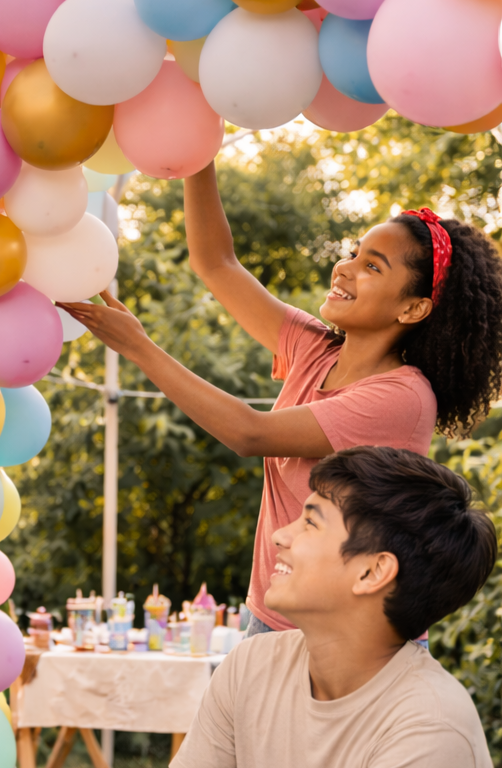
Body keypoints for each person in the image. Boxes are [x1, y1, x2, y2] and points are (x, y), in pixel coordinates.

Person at [60, 163, 502, 636]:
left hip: (343, 634)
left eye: (372, 266)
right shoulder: (313, 348)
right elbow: (216, 263)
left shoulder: (402, 396)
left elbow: (249, 433)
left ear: (413, 308)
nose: (346, 267)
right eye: (355, 253)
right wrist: (196, 154)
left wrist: (137, 346)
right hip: (271, 613)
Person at [144, 445, 499, 768]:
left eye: (310, 521)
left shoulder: (430, 726)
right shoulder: (251, 667)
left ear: (373, 571)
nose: (279, 536)